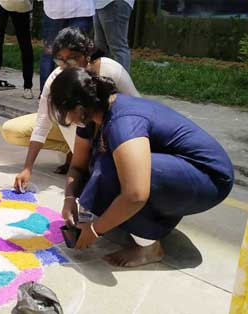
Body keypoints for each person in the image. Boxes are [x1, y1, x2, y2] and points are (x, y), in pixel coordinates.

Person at [49, 67, 234, 267]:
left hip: (209, 178)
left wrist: (95, 230)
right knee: (101, 167)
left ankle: (149, 248)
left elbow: (135, 195)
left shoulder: (123, 122)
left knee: (108, 169)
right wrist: (69, 198)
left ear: (77, 108)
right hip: (176, 169)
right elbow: (77, 166)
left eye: (64, 110)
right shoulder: (92, 117)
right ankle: (154, 219)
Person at [6, 27, 138, 186]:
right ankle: (73, 150)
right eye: (60, 59)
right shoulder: (56, 78)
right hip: (81, 133)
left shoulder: (109, 69)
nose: (65, 65)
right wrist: (27, 168)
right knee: (12, 131)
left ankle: (89, 156)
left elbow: (137, 108)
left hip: (109, 132)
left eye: (72, 59)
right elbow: (42, 124)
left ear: (87, 54)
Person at [39, 0, 93, 92]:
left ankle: (47, 96)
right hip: (81, 8)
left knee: (50, 54)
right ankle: (76, 95)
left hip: (56, 9)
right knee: (78, 55)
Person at [94, 0, 134, 72]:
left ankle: (122, 81)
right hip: (99, 4)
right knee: (101, 47)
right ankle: (102, 80)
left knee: (118, 48)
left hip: (113, 3)